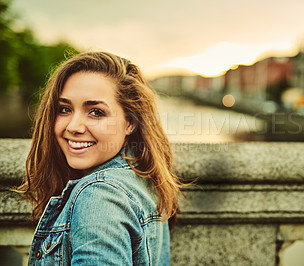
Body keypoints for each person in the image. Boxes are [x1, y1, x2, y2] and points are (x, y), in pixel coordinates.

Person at [17, 51, 182, 265]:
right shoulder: (144, 178)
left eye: (96, 112)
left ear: (130, 122)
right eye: (65, 109)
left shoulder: (99, 197)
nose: (74, 127)